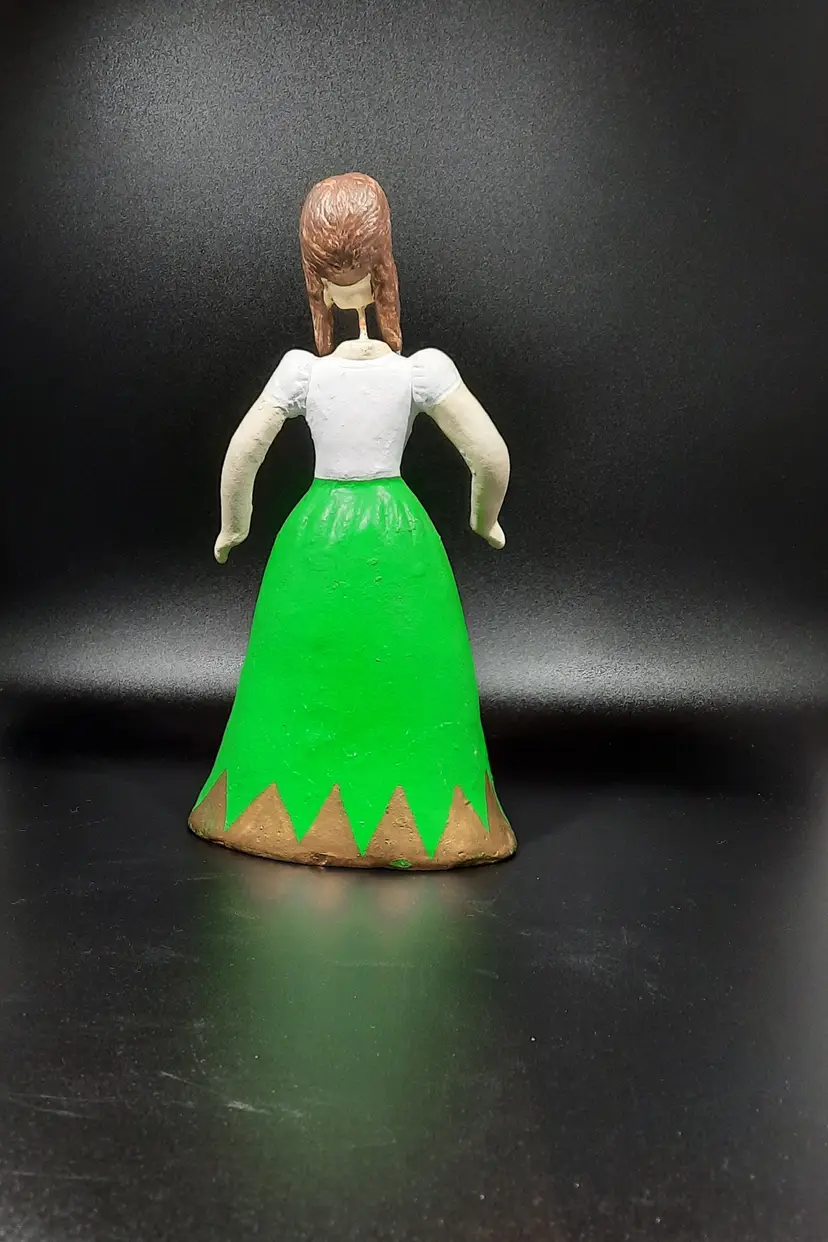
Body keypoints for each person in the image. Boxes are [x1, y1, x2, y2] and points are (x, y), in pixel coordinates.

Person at [189, 172, 515, 868]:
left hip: (316, 542)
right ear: (383, 267)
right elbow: (490, 455)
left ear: (315, 278)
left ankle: (277, 812)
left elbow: (242, 455)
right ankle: (437, 820)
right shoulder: (420, 370)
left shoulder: (301, 373)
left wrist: (233, 526)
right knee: (409, 667)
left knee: (303, 665)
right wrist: (484, 519)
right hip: (401, 542)